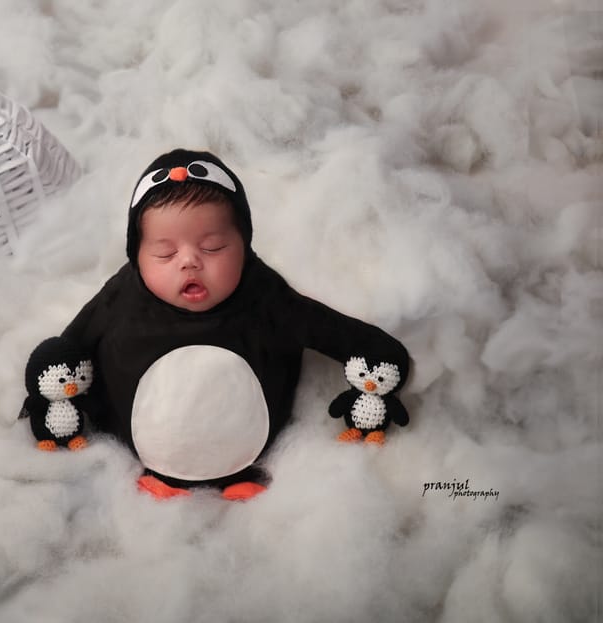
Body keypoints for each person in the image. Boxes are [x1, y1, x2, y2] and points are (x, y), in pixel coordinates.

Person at [59, 148, 409, 500]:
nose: (189, 262)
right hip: (138, 437)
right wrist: (52, 383)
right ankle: (165, 477)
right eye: (165, 253)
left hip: (245, 442)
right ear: (136, 256)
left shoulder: (263, 296)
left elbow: (327, 328)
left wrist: (375, 352)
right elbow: (74, 343)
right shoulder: (124, 297)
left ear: (244, 246)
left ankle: (238, 476)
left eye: (212, 247)